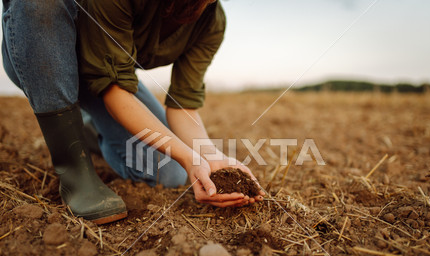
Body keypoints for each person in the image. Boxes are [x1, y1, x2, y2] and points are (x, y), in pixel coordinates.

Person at [1, 0, 263, 225]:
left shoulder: (211, 22)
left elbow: (183, 106)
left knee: (168, 171)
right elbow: (115, 90)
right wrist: (188, 155)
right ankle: (74, 171)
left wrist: (206, 155)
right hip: (44, 51)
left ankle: (92, 132)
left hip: (106, 78)